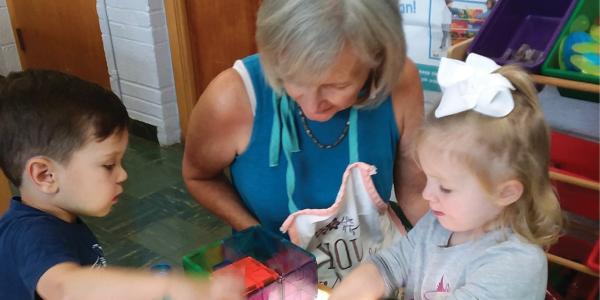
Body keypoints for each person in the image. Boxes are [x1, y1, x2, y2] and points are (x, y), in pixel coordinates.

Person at [182, 0, 428, 237]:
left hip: (370, 267)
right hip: (271, 268)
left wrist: (452, 252)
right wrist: (257, 236)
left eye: (336, 85)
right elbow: (199, 176)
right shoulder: (232, 98)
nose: (313, 106)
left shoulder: (398, 82)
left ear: (376, 63)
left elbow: (415, 195)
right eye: (295, 79)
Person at [329, 53, 563, 299]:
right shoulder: (439, 224)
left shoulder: (514, 266)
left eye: (446, 188)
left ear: (505, 192)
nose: (428, 194)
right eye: (429, 177)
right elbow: (386, 267)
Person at [0, 70, 244, 300]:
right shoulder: (30, 235)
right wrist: (168, 286)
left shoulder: (59, 219)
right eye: (108, 165)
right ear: (45, 175)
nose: (123, 175)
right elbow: (64, 288)